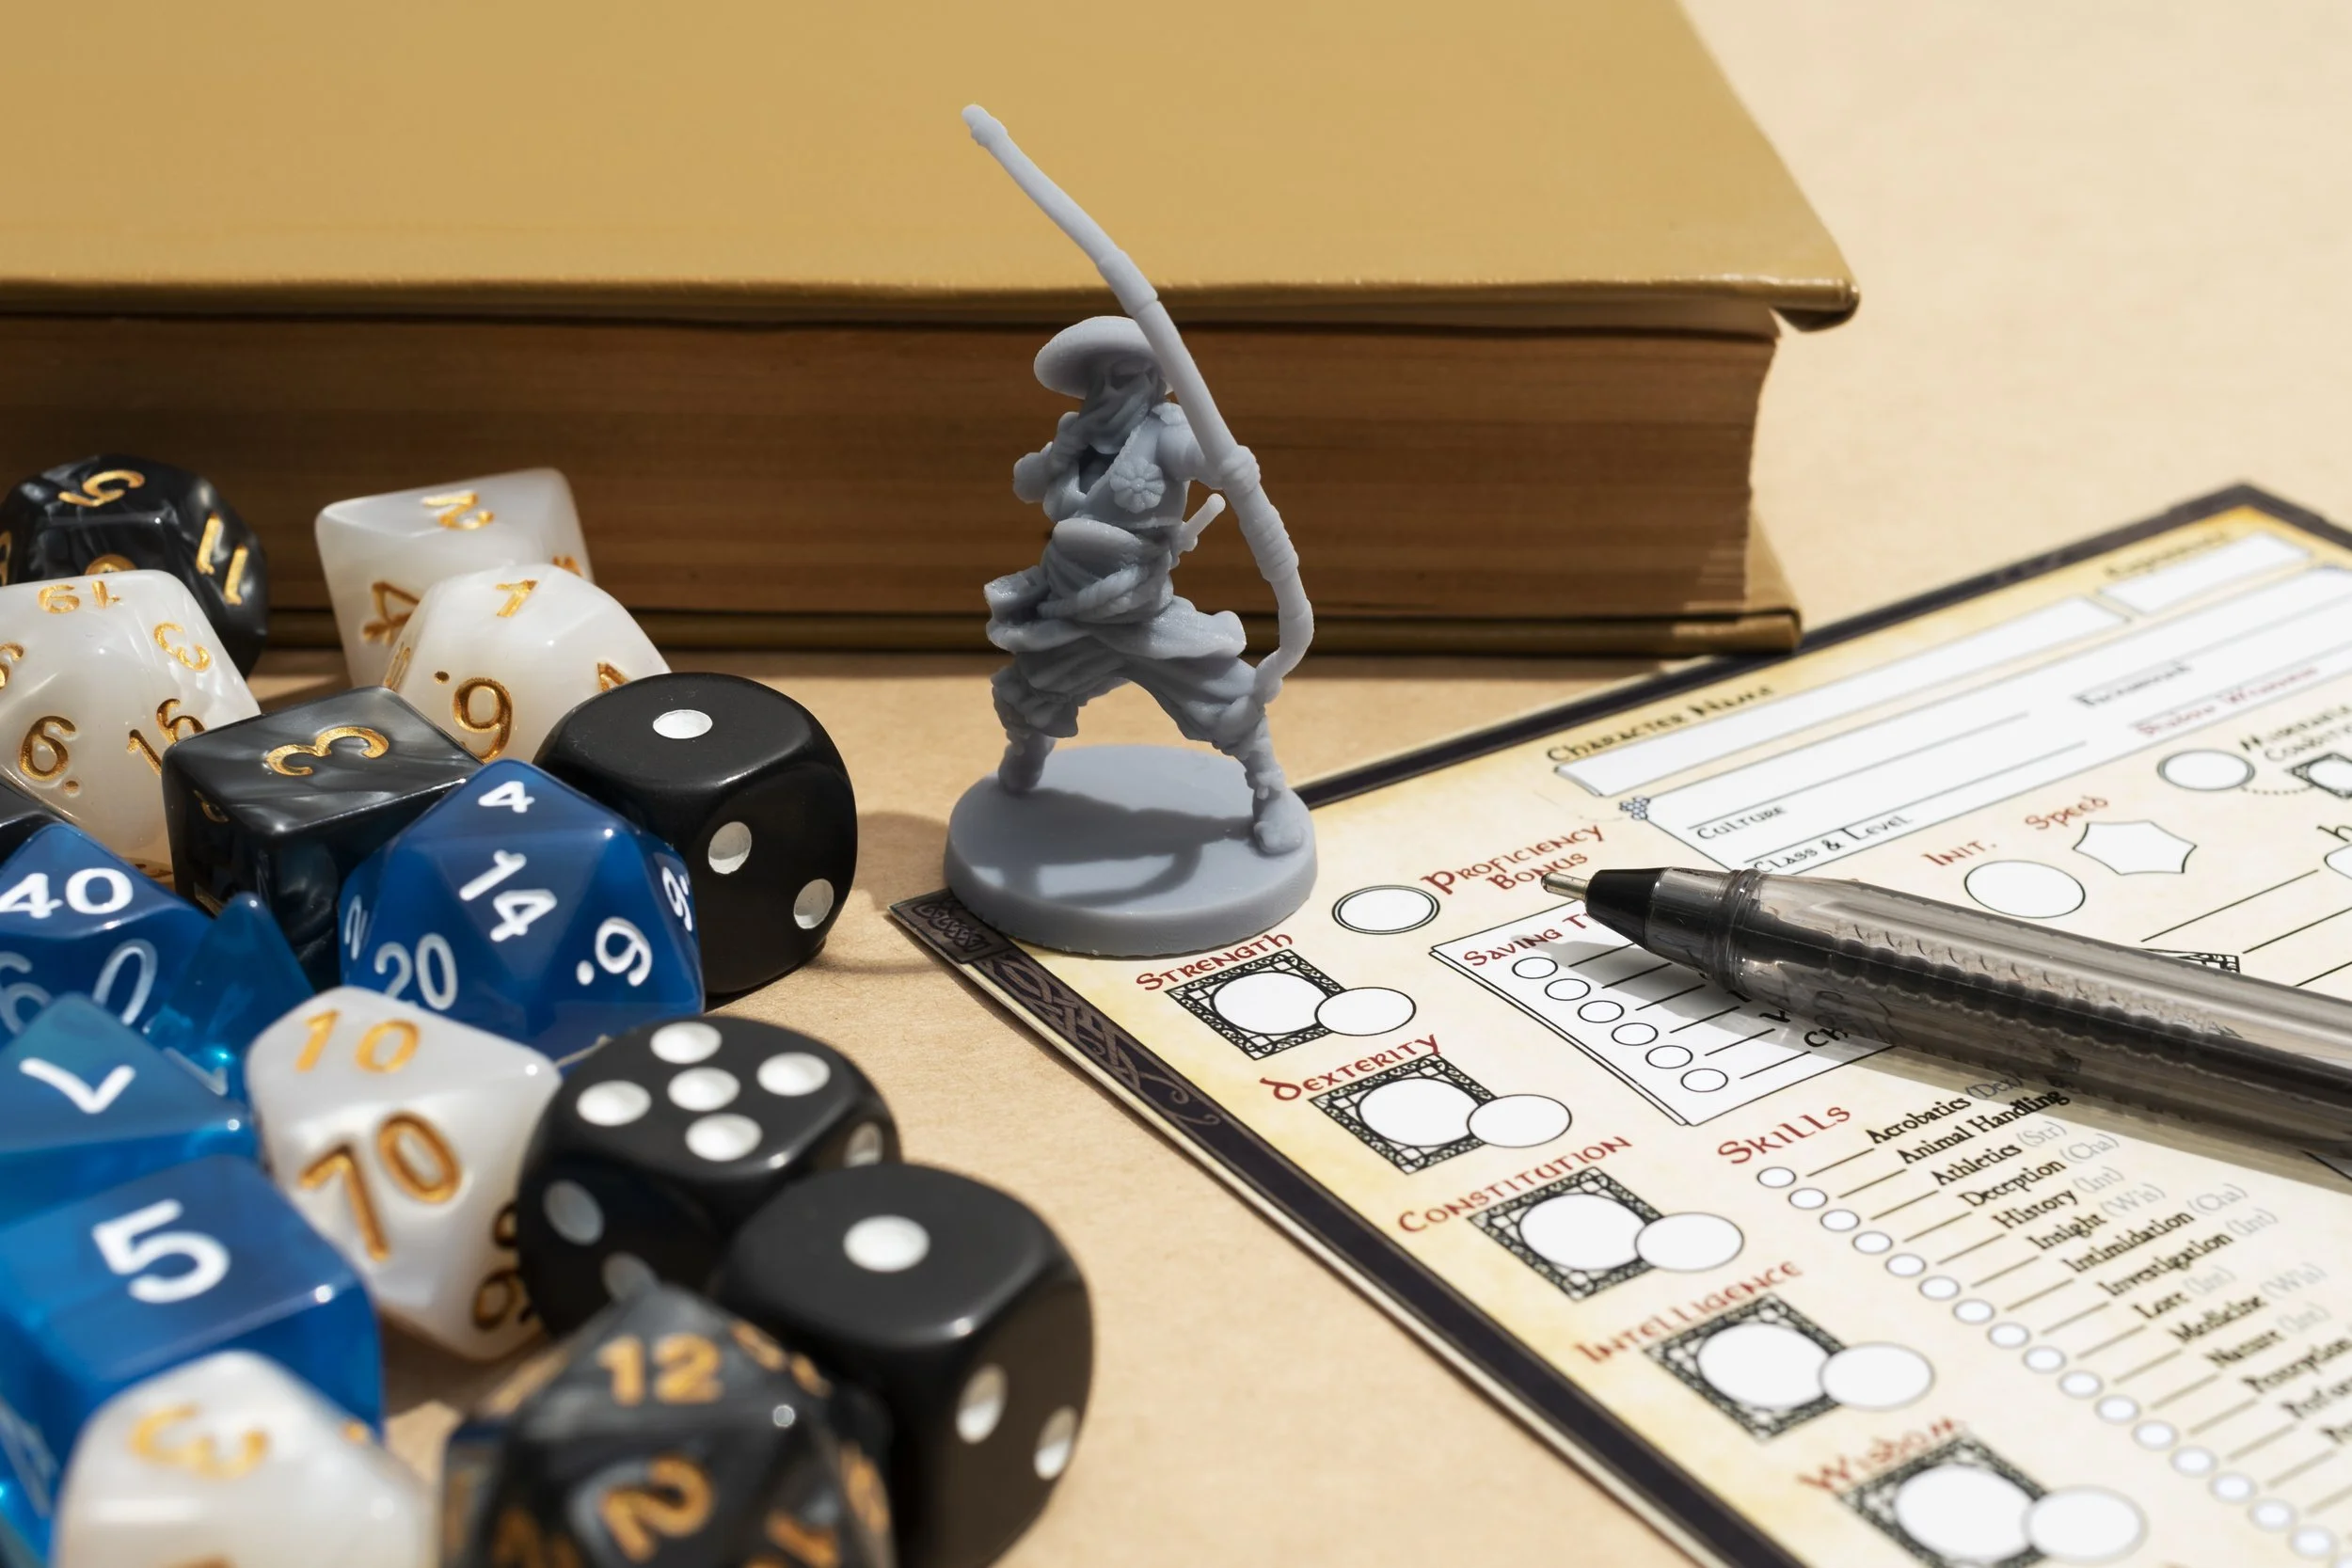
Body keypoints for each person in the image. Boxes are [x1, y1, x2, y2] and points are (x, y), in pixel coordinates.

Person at [984, 315, 1310, 854]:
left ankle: (1270, 790)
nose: (1115, 388)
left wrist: (1233, 466)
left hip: (1144, 613)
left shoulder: (1167, 432)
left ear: (1155, 378)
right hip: (1070, 609)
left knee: (1229, 700)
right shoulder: (1076, 436)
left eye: (1130, 373)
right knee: (1026, 695)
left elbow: (1206, 461)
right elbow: (1026, 485)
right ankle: (1029, 753)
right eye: (1103, 377)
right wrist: (1060, 452)